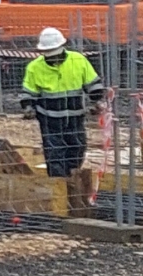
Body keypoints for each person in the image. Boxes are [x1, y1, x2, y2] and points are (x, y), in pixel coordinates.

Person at [18, 28, 107, 211]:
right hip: (49, 119)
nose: (53, 59)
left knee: (77, 148)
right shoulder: (35, 67)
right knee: (55, 153)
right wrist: (28, 107)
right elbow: (28, 91)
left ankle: (71, 181)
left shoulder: (78, 60)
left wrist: (97, 100)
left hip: (74, 117)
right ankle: (58, 190)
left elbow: (93, 84)